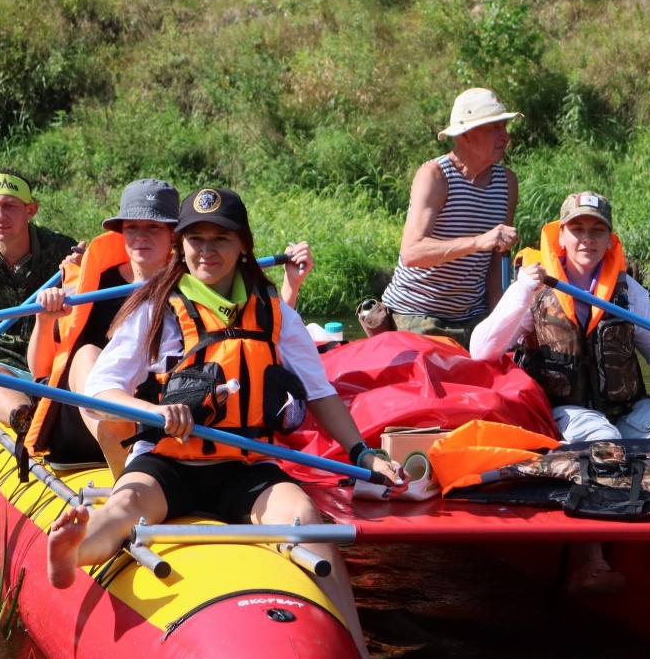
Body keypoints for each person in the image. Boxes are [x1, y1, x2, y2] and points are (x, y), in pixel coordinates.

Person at [44, 187, 400, 659]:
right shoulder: (156, 307)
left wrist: (362, 453)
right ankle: (69, 554)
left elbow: (319, 393)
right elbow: (101, 391)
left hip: (246, 466)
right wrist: (154, 413)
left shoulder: (274, 313)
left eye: (220, 239)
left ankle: (356, 647)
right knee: (123, 507)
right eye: (196, 239)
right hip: (169, 464)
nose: (206, 251)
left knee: (306, 518)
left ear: (242, 246)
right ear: (181, 245)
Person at [471, 191, 650, 594]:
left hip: (631, 408)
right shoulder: (532, 286)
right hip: (565, 411)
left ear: (609, 238)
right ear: (561, 236)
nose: (587, 238)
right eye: (577, 229)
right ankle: (592, 562)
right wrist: (521, 291)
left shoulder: (628, 289)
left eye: (597, 230)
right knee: (604, 446)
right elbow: (481, 351)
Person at [24, 179, 313, 479]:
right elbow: (39, 370)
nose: (141, 236)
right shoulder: (91, 284)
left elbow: (259, 339)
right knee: (86, 354)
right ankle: (125, 474)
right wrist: (45, 320)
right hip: (100, 418)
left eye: (153, 227)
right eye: (132, 227)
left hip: (176, 418)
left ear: (175, 235)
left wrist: (290, 287)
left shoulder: (201, 281)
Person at [379, 88, 521, 346]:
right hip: (418, 315)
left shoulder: (507, 182)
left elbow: (495, 264)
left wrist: (500, 322)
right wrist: (479, 242)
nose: (506, 136)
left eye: (505, 126)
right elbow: (412, 252)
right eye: (494, 128)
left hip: (473, 316)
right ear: (465, 134)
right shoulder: (435, 176)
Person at [0, 170, 78, 426]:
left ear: (30, 210)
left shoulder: (63, 250)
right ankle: (30, 426)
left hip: (50, 365)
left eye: (10, 206)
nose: (0, 216)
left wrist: (81, 274)